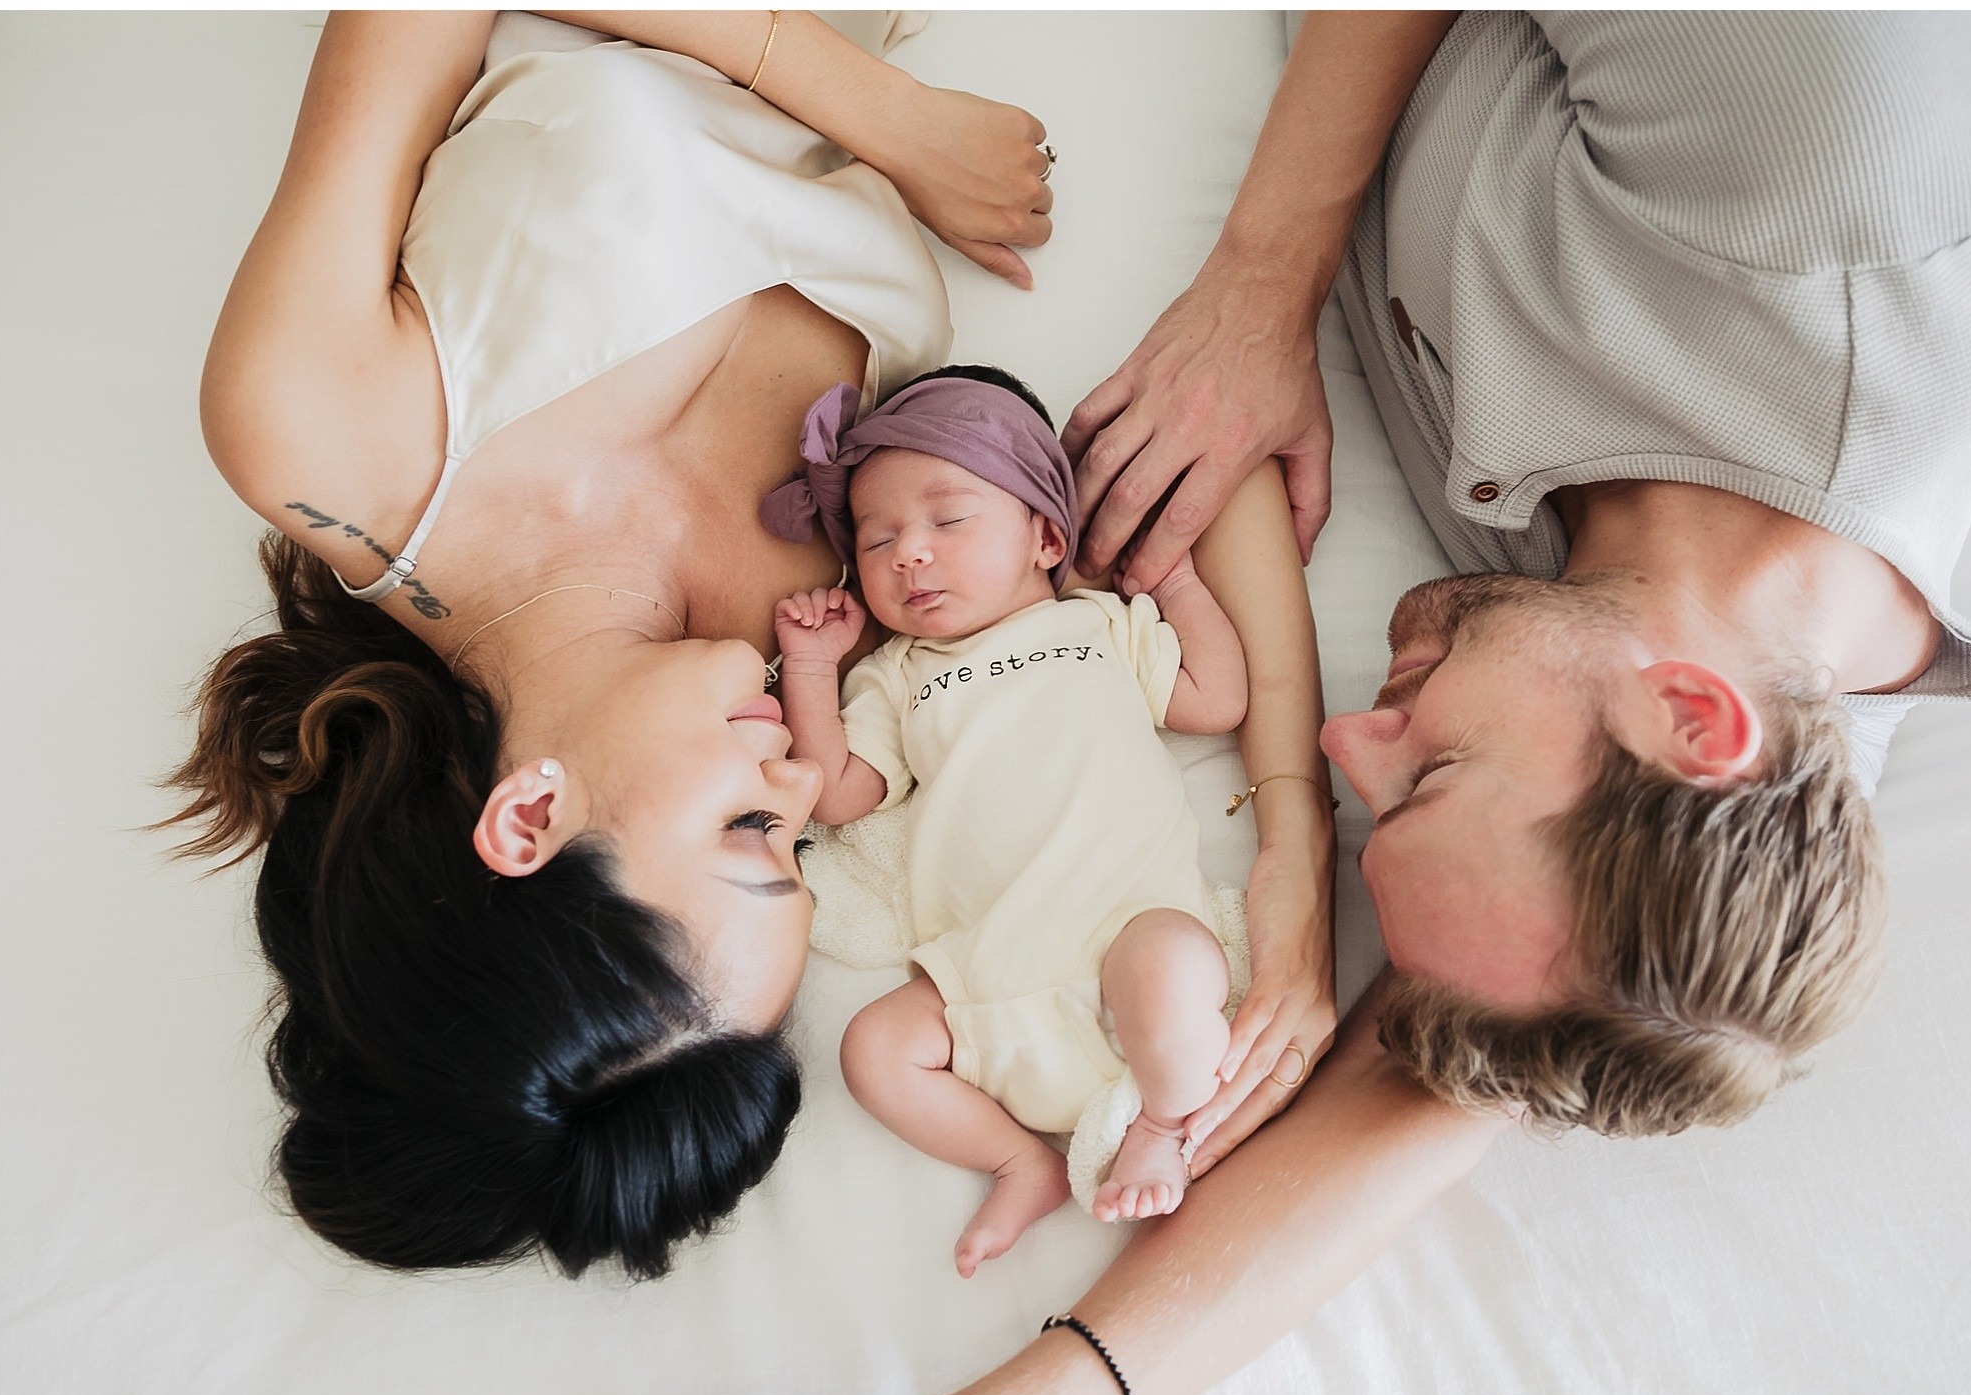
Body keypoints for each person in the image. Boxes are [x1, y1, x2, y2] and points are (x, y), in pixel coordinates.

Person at [534, 11, 1971, 1395]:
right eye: (1431, 774)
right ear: (1691, 715)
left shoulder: (1682, 856)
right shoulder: (1853, 157)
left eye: (1373, 790)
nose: (1344, 732)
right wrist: (1262, 284)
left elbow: (1420, 1102)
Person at [176, 13, 1336, 1281]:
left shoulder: (319, 436)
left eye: (748, 831)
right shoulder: (837, 627)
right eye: (798, 845)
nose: (796, 782)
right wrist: (1294, 845)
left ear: (529, 815)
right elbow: (1184, 483)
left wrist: (876, 110)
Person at [770, 369, 1251, 1260]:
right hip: (982, 980)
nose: (909, 553)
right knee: (873, 1049)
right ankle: (1017, 1161)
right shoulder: (897, 674)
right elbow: (836, 793)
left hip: (1123, 940)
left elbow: (1216, 698)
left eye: (947, 521)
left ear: (1045, 536)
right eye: (877, 542)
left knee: (1180, 960)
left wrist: (1174, 579)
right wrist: (810, 666)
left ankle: (1160, 1118)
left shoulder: (1099, 626)